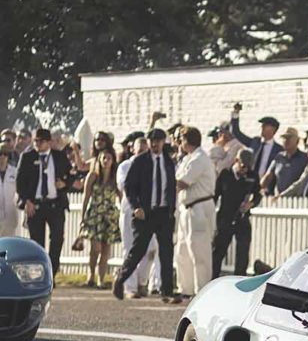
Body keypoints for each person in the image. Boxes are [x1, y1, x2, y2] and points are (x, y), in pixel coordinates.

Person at [113, 128, 179, 302]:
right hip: (145, 213)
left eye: (158, 140)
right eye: (152, 141)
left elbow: (171, 187)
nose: (155, 144)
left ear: (164, 142)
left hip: (163, 213)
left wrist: (171, 210)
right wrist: (136, 206)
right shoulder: (140, 161)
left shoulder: (168, 162)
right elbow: (128, 186)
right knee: (138, 250)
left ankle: (167, 292)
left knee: (166, 252)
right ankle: (121, 279)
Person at [15, 128, 73, 274]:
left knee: (57, 239)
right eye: (35, 141)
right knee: (37, 242)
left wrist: (64, 184)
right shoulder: (27, 157)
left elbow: (71, 174)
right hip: (36, 204)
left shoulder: (59, 156)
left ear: (49, 142)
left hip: (55, 204)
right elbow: (19, 182)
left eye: (41, 141)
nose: (38, 144)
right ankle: (40, 272)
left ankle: (52, 272)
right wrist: (26, 201)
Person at [173, 126, 215, 295]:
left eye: (181, 139)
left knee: (199, 250)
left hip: (200, 208)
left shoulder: (200, 158)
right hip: (186, 208)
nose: (179, 143)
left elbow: (182, 182)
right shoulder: (187, 158)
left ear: (187, 140)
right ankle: (185, 288)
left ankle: (201, 290)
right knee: (182, 250)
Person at [75, 146, 120, 287]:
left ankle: (101, 279)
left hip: (110, 216)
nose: (106, 161)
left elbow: (122, 196)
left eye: (109, 158)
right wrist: (82, 218)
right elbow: (86, 198)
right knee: (96, 248)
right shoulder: (93, 176)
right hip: (95, 215)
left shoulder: (115, 178)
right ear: (99, 160)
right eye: (103, 158)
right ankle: (91, 275)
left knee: (106, 249)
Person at [212, 149, 261, 278]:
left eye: (248, 168)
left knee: (243, 252)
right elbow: (215, 196)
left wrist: (251, 204)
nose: (245, 170)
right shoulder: (225, 174)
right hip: (226, 218)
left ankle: (240, 279)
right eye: (243, 166)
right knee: (219, 251)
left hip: (242, 218)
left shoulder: (252, 176)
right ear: (236, 161)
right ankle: (213, 279)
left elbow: (258, 195)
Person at [228, 104, 282, 192]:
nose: (262, 127)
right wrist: (236, 114)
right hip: (249, 184)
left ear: (273, 129)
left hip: (265, 189)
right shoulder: (255, 142)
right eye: (262, 125)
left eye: (265, 125)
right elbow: (236, 133)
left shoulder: (278, 150)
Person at [268, 127, 308, 197]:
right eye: (284, 138)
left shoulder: (304, 158)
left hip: (297, 200)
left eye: (289, 138)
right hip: (278, 198)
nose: (286, 140)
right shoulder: (279, 157)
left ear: (297, 141)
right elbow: (268, 176)